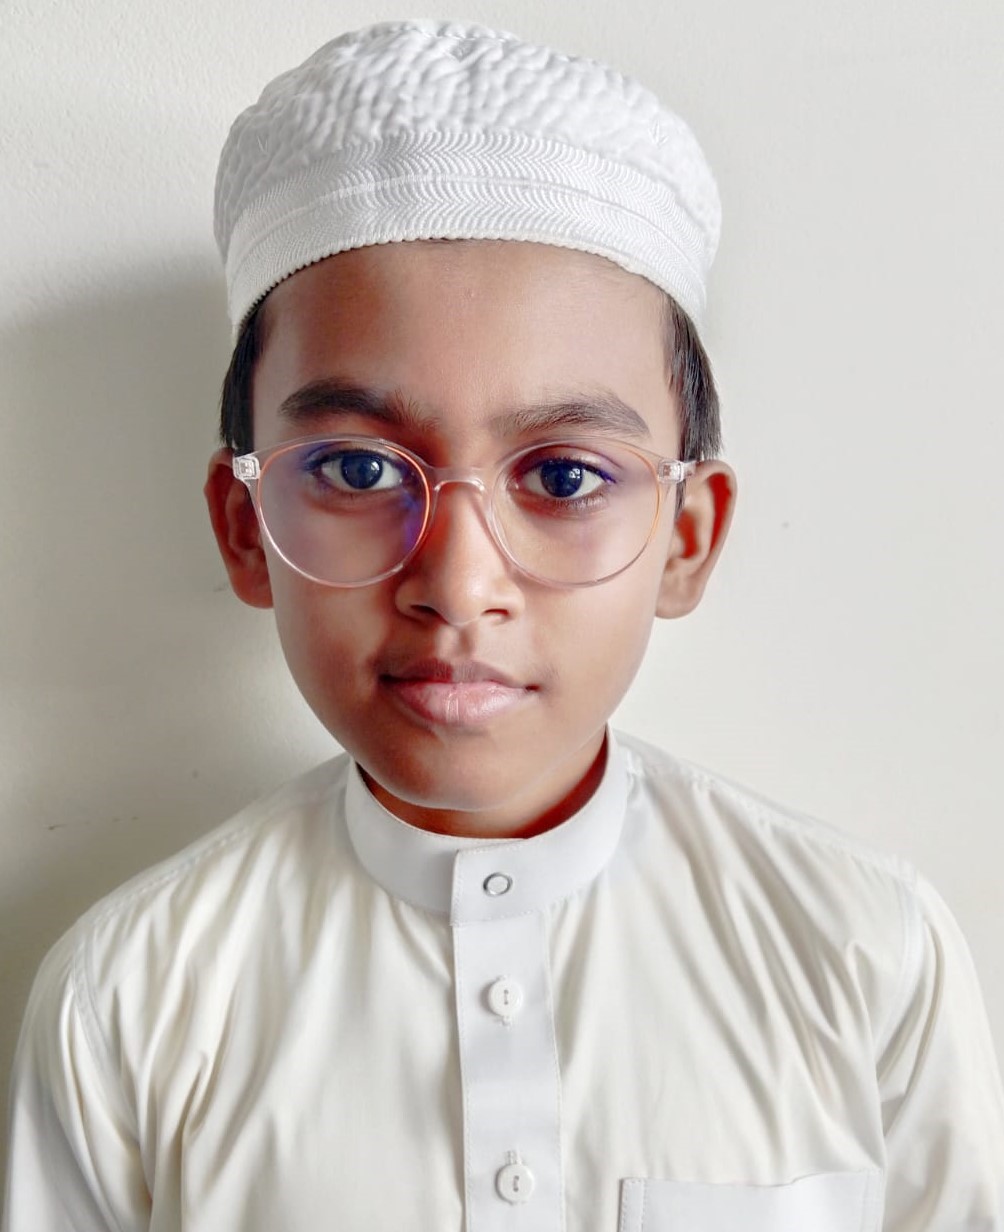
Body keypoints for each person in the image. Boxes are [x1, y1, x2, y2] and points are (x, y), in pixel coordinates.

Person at [4, 19, 1002, 1231]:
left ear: (684, 536)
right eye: (359, 470)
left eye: (564, 476)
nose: (458, 582)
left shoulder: (860, 953)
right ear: (243, 524)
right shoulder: (131, 1001)